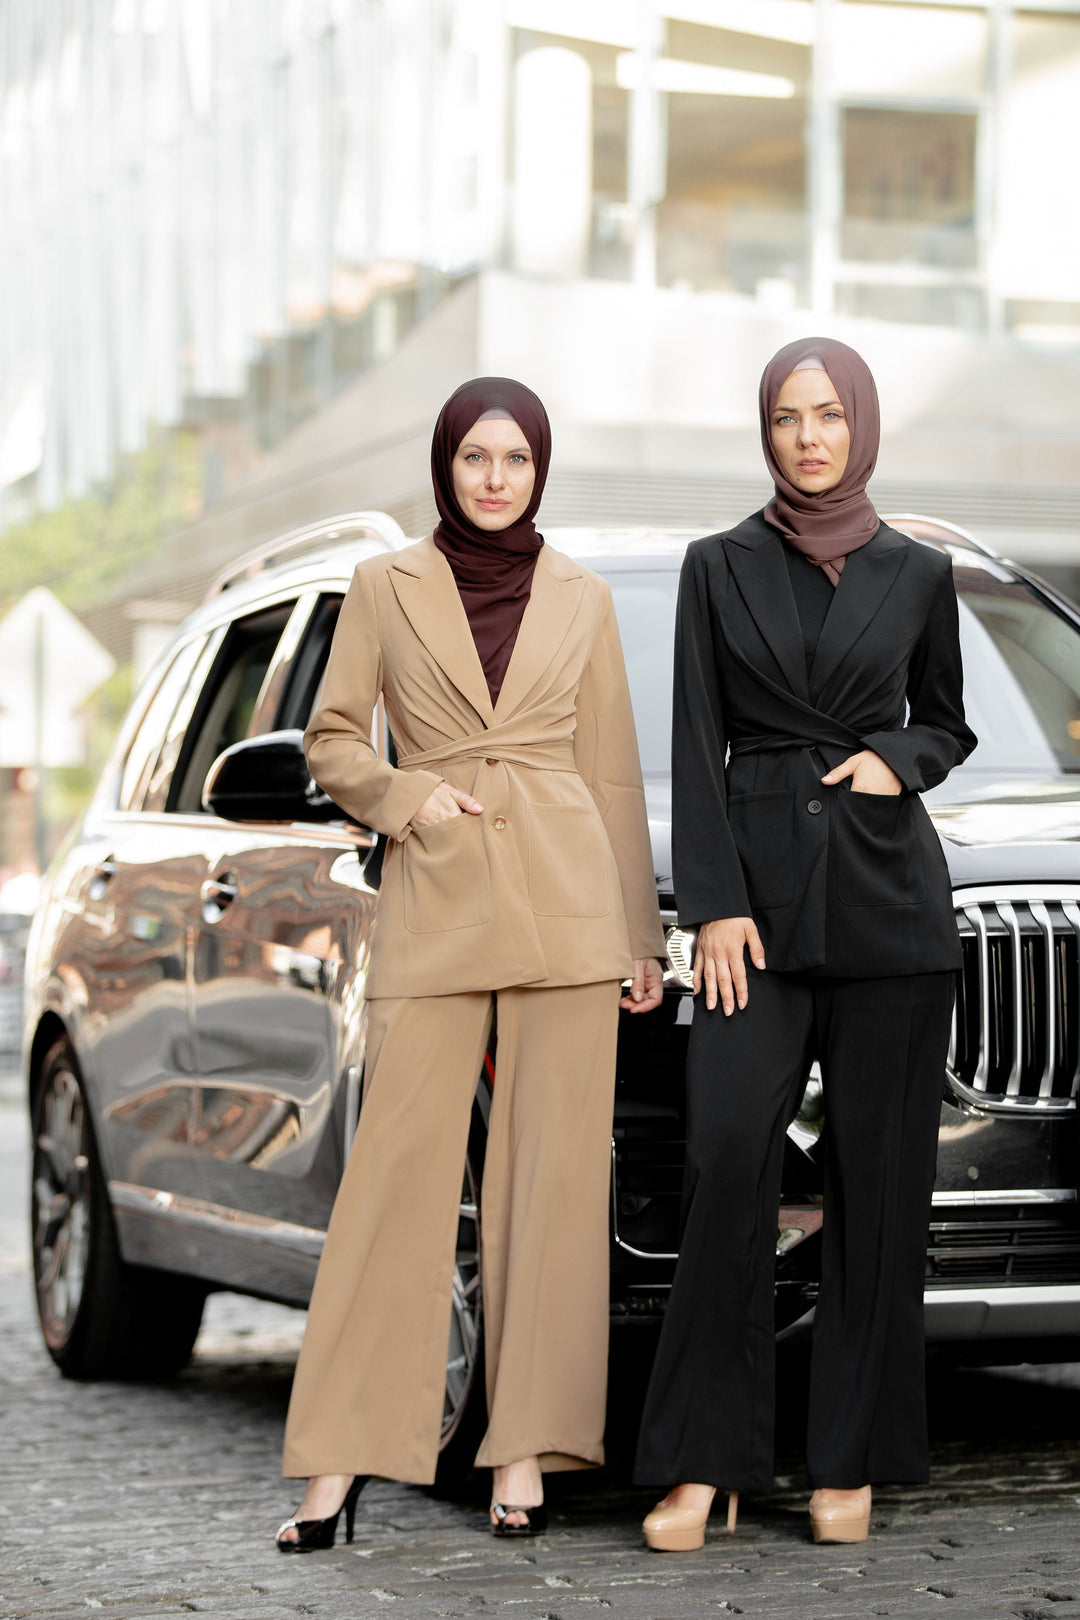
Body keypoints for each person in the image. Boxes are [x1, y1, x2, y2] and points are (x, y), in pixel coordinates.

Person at [275, 376, 665, 1551]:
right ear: (446, 464)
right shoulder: (384, 586)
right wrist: (406, 795)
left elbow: (610, 776)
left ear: (540, 470)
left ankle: (524, 1453)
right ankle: (339, 1462)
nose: (496, 478)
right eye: (476, 458)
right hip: (437, 892)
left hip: (565, 904)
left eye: (517, 460)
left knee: (548, 1187)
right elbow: (333, 737)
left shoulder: (583, 598)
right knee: (392, 1181)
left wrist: (639, 936)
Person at [634, 337, 976, 1550]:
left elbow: (949, 722)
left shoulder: (918, 572)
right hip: (755, 914)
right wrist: (713, 902)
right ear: (766, 432)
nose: (811, 436)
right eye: (788, 417)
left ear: (861, 427)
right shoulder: (715, 567)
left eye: (830, 415)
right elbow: (694, 741)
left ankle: (854, 1456)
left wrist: (901, 757)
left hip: (892, 907)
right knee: (727, 1164)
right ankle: (701, 1461)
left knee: (880, 1188)